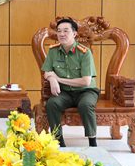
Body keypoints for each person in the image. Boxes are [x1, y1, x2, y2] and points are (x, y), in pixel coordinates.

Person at [41, 17, 99, 148]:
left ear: (74, 33)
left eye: (66, 31)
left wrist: (58, 79)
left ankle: (92, 143)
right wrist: (52, 79)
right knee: (52, 103)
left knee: (85, 105)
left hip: (86, 91)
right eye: (59, 31)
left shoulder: (84, 53)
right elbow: (47, 71)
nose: (61, 34)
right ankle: (59, 142)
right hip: (65, 92)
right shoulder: (53, 51)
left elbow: (85, 81)